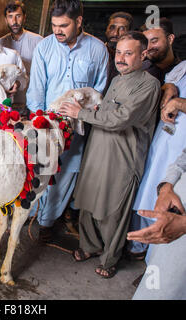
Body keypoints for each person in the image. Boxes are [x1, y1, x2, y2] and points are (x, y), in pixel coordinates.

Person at [61, 31, 161, 278]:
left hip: (122, 158)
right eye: (118, 52)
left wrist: (80, 114)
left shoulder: (149, 84)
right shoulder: (116, 80)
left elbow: (122, 118)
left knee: (113, 210)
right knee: (87, 201)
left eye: (129, 53)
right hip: (98, 150)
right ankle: (90, 246)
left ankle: (109, 259)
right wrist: (91, 107)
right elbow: (107, 109)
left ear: (144, 54)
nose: (121, 58)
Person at [25, 0, 108, 239]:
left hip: (77, 130)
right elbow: (37, 88)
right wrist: (38, 121)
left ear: (79, 21)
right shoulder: (45, 47)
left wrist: (82, 117)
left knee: (65, 175)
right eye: (54, 25)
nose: (57, 31)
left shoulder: (97, 49)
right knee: (38, 172)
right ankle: (31, 216)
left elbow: (99, 92)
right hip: (45, 125)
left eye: (64, 25)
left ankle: (47, 223)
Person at [127, 61, 186, 259]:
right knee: (152, 185)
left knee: (175, 203)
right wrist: (168, 88)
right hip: (166, 134)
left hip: (181, 142)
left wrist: (180, 103)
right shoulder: (183, 65)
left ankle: (156, 260)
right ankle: (139, 247)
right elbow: (168, 83)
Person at [127, 148, 186, 299]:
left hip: (179, 231)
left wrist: (183, 224)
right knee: (154, 288)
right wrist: (166, 187)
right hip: (172, 224)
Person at [0, 1, 43, 106]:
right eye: (10, 17)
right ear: (6, 19)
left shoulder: (38, 41)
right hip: (7, 100)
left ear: (24, 17)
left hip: (31, 100)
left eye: (18, 16)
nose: (14, 21)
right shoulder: (0, 43)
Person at [140, 17, 179, 85]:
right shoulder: (138, 69)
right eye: (146, 42)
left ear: (170, 39)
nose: (148, 47)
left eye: (154, 41)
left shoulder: (183, 70)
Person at [103, 11, 133, 92]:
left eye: (122, 29)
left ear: (129, 33)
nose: (115, 33)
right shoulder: (97, 52)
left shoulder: (133, 59)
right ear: (106, 29)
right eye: (112, 27)